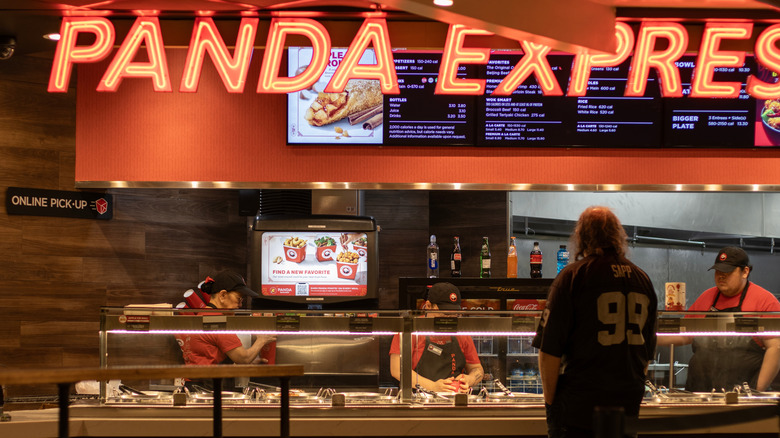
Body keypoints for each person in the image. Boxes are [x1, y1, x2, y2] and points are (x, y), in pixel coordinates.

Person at [533, 206, 657, 438]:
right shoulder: (643, 279)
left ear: (582, 237)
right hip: (627, 410)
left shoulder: (571, 278)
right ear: (618, 236)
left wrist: (551, 409)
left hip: (580, 411)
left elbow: (549, 353)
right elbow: (646, 354)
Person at [665, 247, 780, 392]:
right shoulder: (706, 298)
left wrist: (757, 391)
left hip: (742, 395)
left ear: (745, 272)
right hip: (700, 392)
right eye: (718, 271)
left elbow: (775, 348)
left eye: (728, 272)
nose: (721, 276)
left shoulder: (764, 301)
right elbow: (685, 336)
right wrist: (650, 336)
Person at [176, 270, 276, 388]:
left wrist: (252, 359)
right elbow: (243, 358)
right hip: (209, 389)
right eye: (239, 298)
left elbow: (208, 357)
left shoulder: (203, 315)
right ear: (223, 295)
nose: (240, 305)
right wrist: (262, 340)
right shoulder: (218, 323)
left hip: (194, 386)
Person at [389, 282, 484, 393]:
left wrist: (470, 379)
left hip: (453, 401)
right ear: (429, 306)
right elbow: (397, 369)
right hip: (418, 402)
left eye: (455, 315)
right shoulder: (410, 330)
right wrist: (433, 387)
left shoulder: (461, 334)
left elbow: (477, 369)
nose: (450, 319)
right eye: (445, 314)